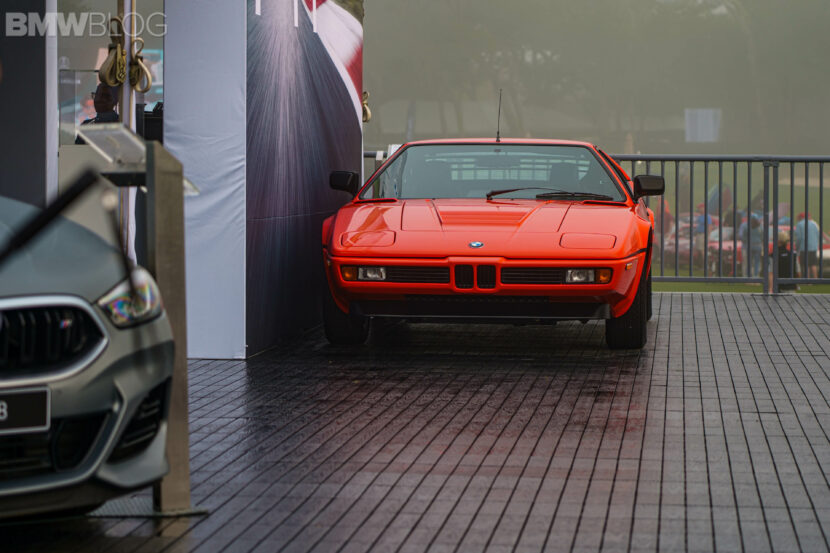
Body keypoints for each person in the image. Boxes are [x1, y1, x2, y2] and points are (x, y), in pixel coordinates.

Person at [794, 212, 821, 278]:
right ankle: (815, 279)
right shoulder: (814, 224)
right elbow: (818, 235)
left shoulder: (799, 224)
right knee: (813, 264)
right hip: (813, 247)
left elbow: (799, 237)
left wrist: (797, 247)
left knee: (805, 264)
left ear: (801, 217)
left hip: (804, 247)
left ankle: (807, 280)